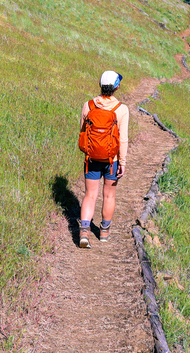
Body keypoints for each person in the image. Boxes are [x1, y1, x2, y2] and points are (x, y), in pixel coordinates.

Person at [78, 70, 129, 248]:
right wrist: (122, 162)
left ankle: (84, 231)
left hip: (91, 158)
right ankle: (104, 232)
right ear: (116, 87)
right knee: (109, 195)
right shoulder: (121, 109)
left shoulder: (89, 105)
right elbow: (122, 139)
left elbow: (83, 132)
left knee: (90, 195)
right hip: (112, 160)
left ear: (100, 85)